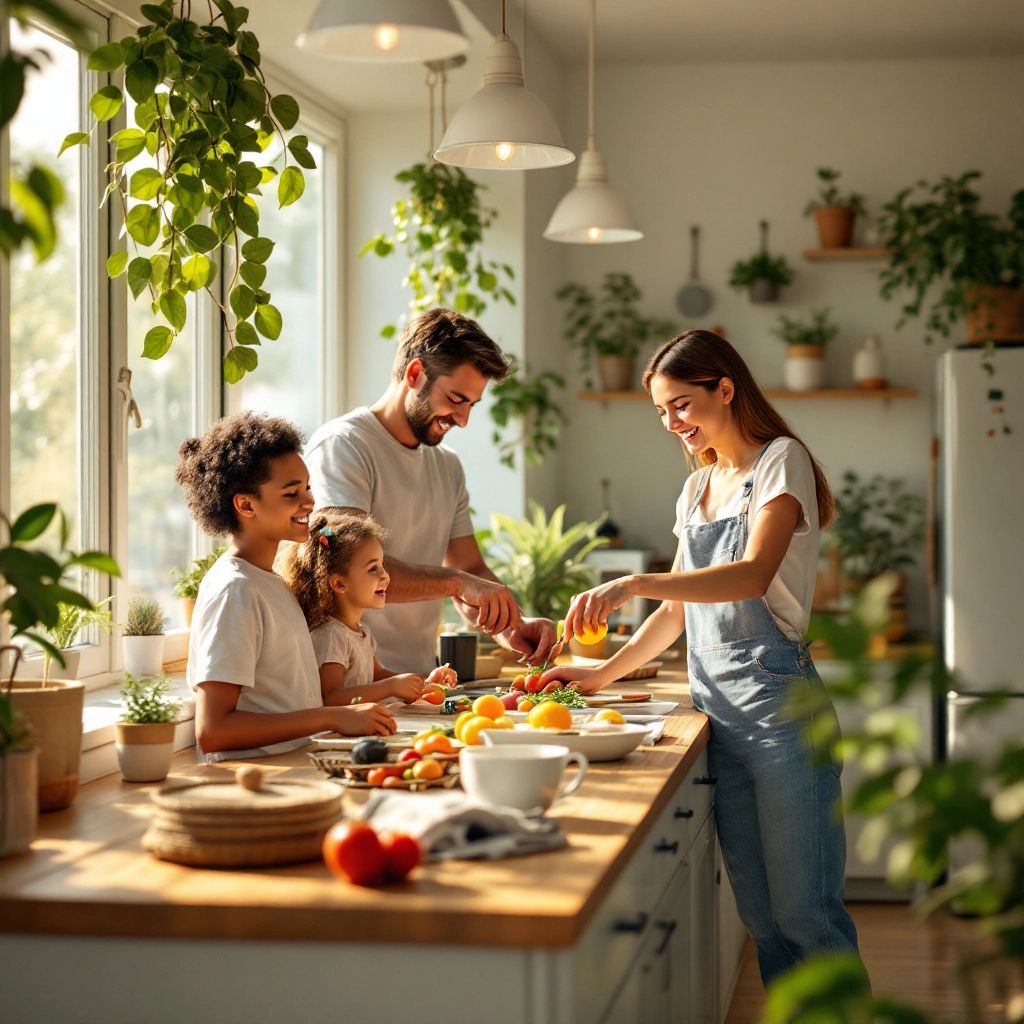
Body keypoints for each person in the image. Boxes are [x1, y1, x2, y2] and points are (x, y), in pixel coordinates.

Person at [541, 330, 864, 985]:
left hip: (781, 711)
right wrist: (599, 673)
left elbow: (748, 575)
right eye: (662, 412)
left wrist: (632, 581)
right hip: (718, 715)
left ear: (726, 388)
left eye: (682, 405)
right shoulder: (696, 492)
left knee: (807, 917)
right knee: (763, 920)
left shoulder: (781, 460)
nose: (673, 424)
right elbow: (676, 615)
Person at [305, 307, 556, 674]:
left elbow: (468, 567)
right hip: (351, 684)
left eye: (471, 405)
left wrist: (513, 624)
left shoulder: (447, 465)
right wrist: (457, 584)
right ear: (415, 373)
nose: (463, 420)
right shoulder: (343, 446)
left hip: (420, 682)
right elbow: (347, 565)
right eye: (456, 399)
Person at [176, 412, 396, 762]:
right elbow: (214, 730)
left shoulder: (271, 584)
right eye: (292, 493)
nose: (309, 501)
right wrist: (332, 716)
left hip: (293, 766)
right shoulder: (235, 591)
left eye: (307, 487)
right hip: (255, 782)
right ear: (246, 504)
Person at [282, 510, 457, 704]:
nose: (385, 576)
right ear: (339, 584)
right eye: (373, 569)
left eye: (382, 566)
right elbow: (330, 698)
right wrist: (391, 687)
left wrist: (425, 682)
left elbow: (378, 675)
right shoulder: (332, 636)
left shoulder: (360, 631)